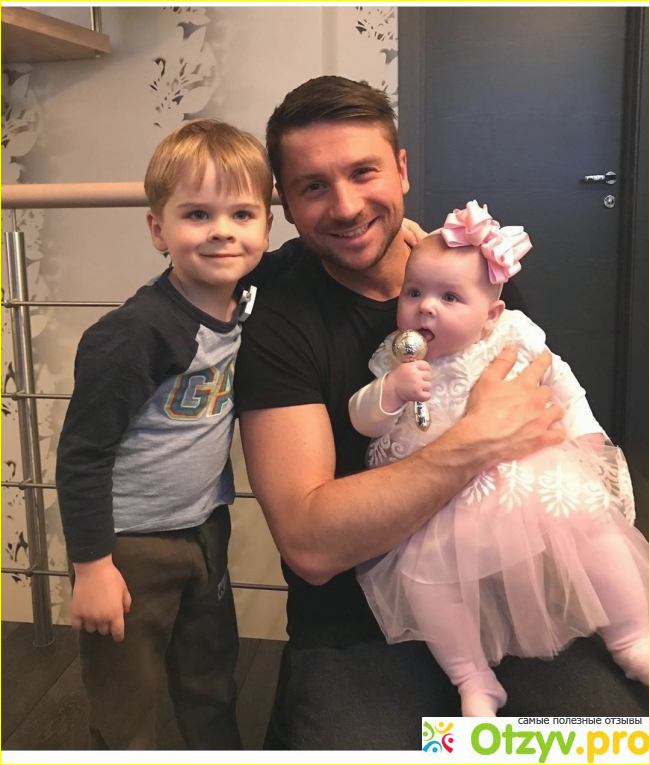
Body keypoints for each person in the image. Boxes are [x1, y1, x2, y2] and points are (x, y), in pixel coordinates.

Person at [235, 75, 647, 749]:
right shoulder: (280, 322)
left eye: (363, 171)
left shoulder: (471, 268)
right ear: (284, 200)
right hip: (362, 624)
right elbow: (310, 545)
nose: (345, 206)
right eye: (312, 186)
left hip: (519, 591)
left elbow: (544, 405)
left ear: (401, 169)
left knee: (605, 744)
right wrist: (475, 441)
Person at [349, 201, 649, 717]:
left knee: (595, 531)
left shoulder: (513, 334)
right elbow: (362, 420)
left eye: (449, 297)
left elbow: (561, 380)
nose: (426, 308)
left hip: (527, 478)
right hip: (437, 501)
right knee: (425, 581)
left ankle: (632, 635)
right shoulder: (395, 356)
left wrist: (587, 433)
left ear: (490, 315)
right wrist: (390, 393)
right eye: (414, 292)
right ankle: (473, 678)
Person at [56, 118, 273, 750]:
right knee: (126, 695)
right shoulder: (135, 334)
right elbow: (83, 454)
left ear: (266, 227)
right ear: (159, 230)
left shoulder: (249, 298)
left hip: (204, 529)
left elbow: (302, 260)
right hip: (129, 546)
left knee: (211, 676)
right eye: (198, 214)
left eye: (242, 214)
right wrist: (91, 567)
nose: (223, 231)